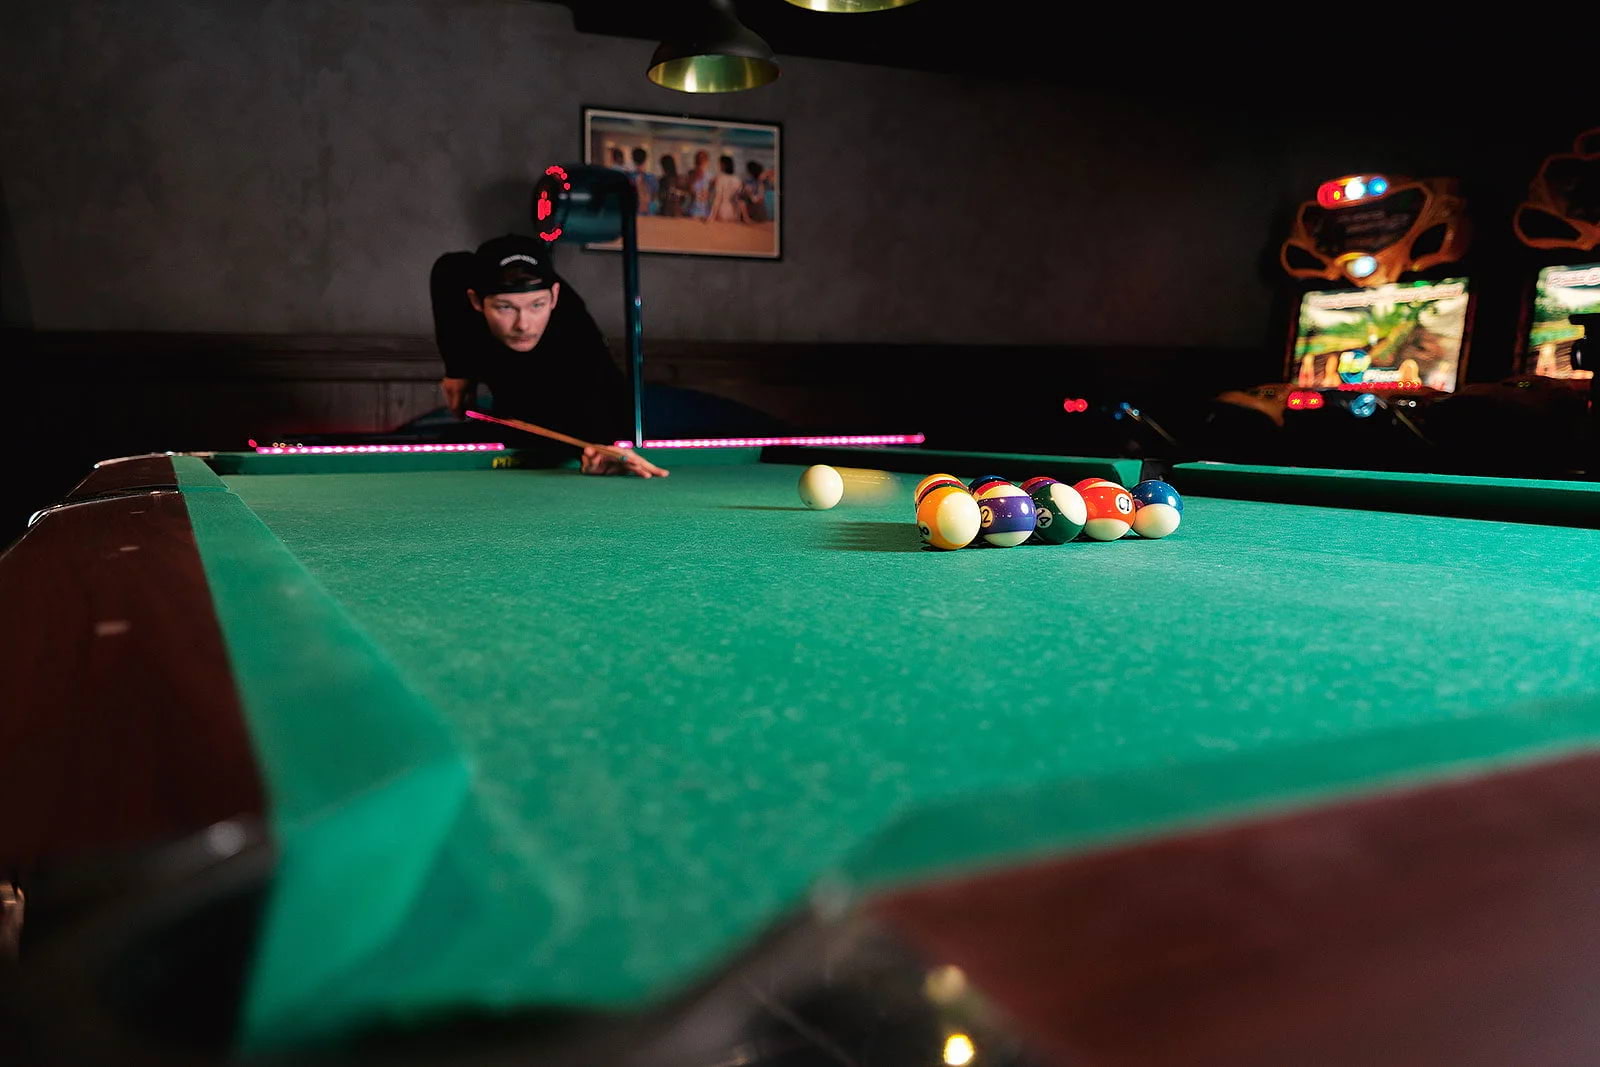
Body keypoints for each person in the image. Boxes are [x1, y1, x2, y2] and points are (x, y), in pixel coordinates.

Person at [430, 234, 667, 477]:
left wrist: (601, 447)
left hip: (573, 409)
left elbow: (592, 402)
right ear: (476, 301)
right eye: (505, 307)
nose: (523, 325)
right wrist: (457, 370)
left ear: (554, 296)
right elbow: (448, 268)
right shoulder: (456, 282)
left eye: (537, 305)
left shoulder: (575, 336)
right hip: (509, 398)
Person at [708, 155, 745, 223]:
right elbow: (739, 199)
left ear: (723, 165)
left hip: (722, 212)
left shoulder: (720, 178)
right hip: (734, 212)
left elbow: (718, 198)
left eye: (719, 164)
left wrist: (712, 216)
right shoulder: (737, 179)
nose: (718, 166)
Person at [630, 146, 658, 216]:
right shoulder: (652, 178)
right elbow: (654, 197)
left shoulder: (629, 178)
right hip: (650, 213)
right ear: (645, 159)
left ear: (633, 159)